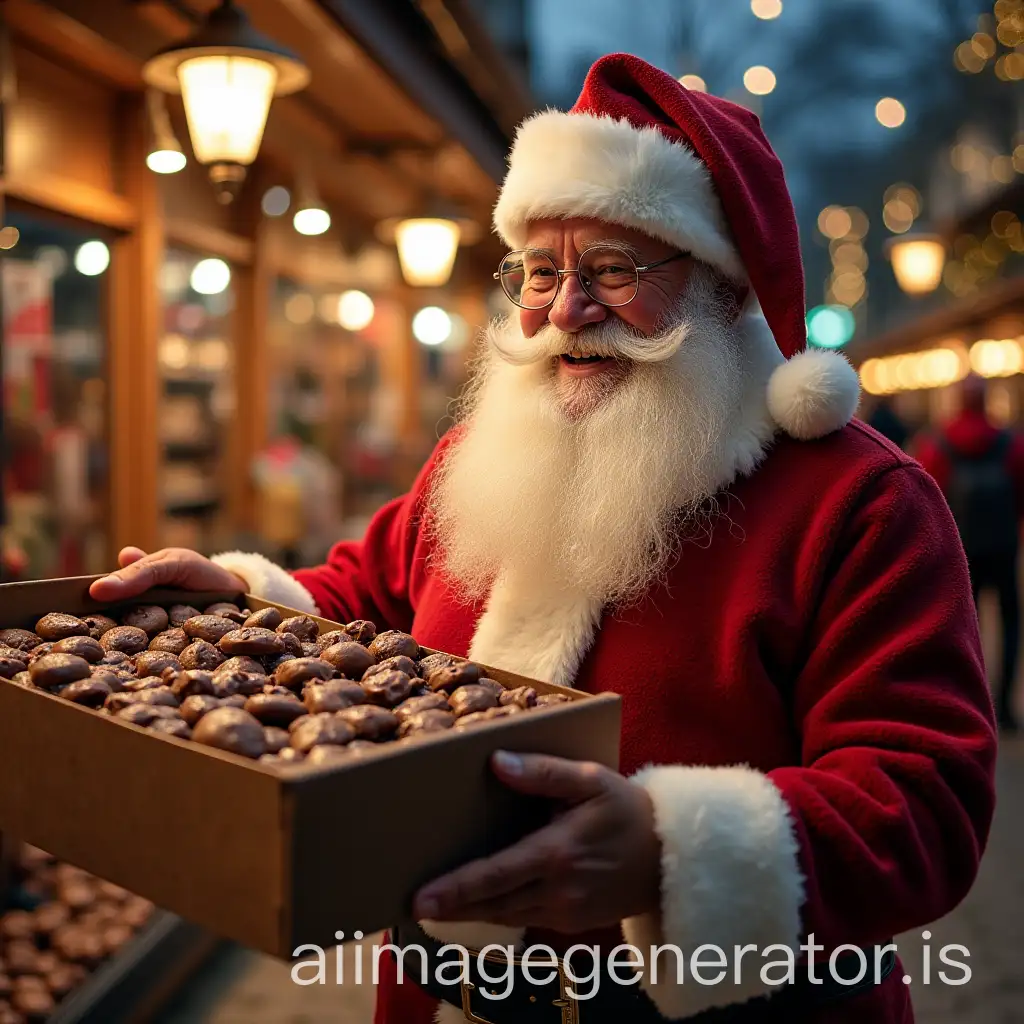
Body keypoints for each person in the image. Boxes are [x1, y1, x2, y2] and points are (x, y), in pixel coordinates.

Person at [90, 54, 996, 1024]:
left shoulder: (861, 502)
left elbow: (925, 800)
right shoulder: (478, 455)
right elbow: (365, 593)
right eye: (541, 271)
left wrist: (664, 853)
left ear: (725, 292)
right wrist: (237, 606)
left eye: (612, 269)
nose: (566, 310)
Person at [916, 373, 1024, 732]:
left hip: (959, 549)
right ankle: (1006, 706)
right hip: (1003, 546)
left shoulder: (938, 443)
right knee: (1009, 623)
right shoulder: (1009, 443)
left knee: (963, 627)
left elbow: (927, 497)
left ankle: (972, 707)